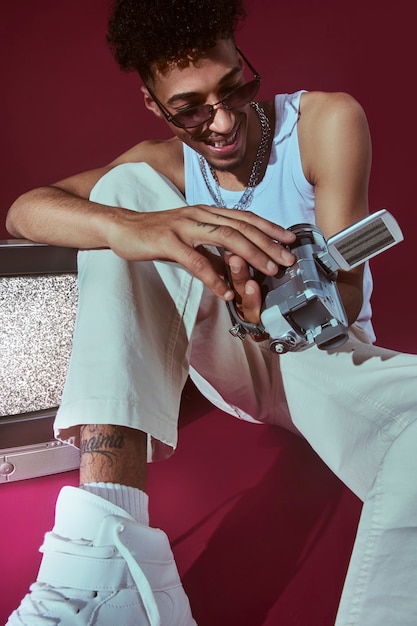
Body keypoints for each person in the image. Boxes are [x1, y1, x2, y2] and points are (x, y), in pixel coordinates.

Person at [5, 0, 417, 624]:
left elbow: (351, 298)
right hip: (229, 359)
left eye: (235, 88)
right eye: (192, 109)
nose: (224, 122)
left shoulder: (324, 120)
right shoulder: (159, 164)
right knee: (120, 200)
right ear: (154, 104)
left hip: (322, 356)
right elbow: (25, 211)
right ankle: (103, 554)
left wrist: (285, 283)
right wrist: (146, 227)